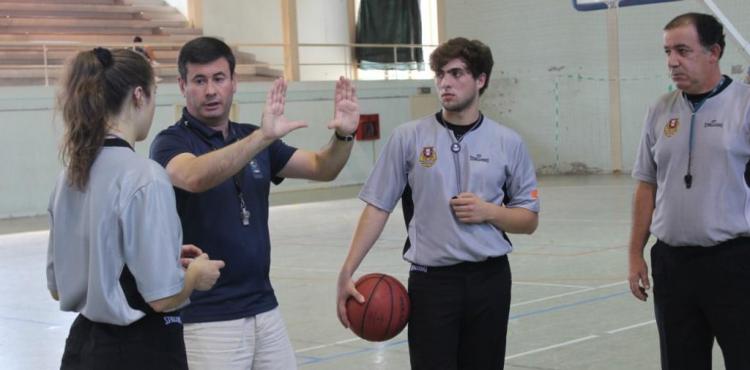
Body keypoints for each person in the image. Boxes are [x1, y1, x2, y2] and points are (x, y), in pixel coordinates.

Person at [149, 36, 359, 370]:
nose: (210, 90)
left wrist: (345, 135)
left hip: (264, 307)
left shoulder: (253, 136)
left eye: (219, 79)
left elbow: (323, 167)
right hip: (206, 317)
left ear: (234, 82)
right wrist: (262, 137)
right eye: (199, 81)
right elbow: (193, 177)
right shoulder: (171, 142)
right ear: (182, 86)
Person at [336, 37, 540, 370]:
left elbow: (528, 220)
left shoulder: (508, 142)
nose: (445, 82)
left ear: (481, 80)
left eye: (457, 73)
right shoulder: (408, 137)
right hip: (432, 284)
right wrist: (347, 271)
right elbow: (377, 208)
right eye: (440, 74)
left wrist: (489, 212)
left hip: (490, 281)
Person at [46, 47, 225, 370]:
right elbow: (162, 297)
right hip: (138, 349)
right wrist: (195, 276)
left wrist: (156, 253)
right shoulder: (145, 176)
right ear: (139, 95)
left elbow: (59, 287)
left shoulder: (68, 176)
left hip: (82, 348)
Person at [628, 12, 750, 370]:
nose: (672, 62)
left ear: (714, 52)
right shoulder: (659, 110)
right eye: (667, 52)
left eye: (683, 50)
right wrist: (636, 253)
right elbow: (646, 185)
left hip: (735, 262)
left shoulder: (744, 105)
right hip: (672, 264)